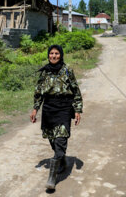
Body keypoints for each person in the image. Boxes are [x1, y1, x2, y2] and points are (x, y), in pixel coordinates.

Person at [30, 44, 83, 190]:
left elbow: (76, 91)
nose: (53, 56)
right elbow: (38, 93)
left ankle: (52, 179)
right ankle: (62, 160)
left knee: (61, 139)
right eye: (51, 53)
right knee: (53, 140)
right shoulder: (44, 72)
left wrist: (77, 110)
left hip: (64, 109)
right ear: (48, 55)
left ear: (61, 55)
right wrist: (35, 109)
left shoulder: (67, 71)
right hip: (48, 110)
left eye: (56, 53)